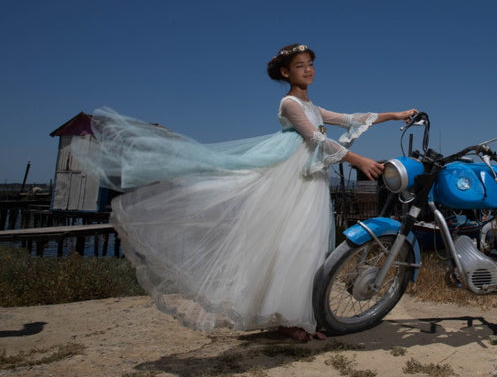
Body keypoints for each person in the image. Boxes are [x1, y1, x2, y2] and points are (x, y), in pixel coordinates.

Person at [71, 43, 416, 342]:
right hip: (292, 181)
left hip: (312, 181)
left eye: (311, 64)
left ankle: (300, 317)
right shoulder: (290, 104)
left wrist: (395, 114)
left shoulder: (314, 106)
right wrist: (359, 159)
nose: (308, 70)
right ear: (285, 72)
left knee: (309, 247)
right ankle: (287, 320)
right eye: (300, 66)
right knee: (291, 245)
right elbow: (316, 139)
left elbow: (351, 118)